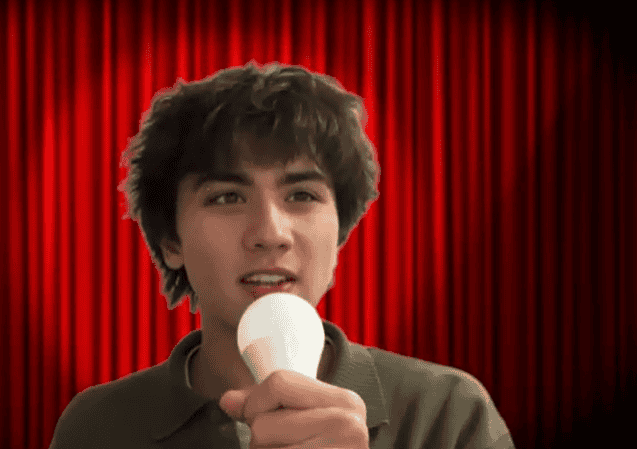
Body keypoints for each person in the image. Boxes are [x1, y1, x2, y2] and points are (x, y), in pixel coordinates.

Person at [48, 61, 515, 449]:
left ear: (340, 235)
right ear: (172, 242)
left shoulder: (448, 413)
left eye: (303, 196)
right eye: (227, 197)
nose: (271, 234)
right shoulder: (98, 426)